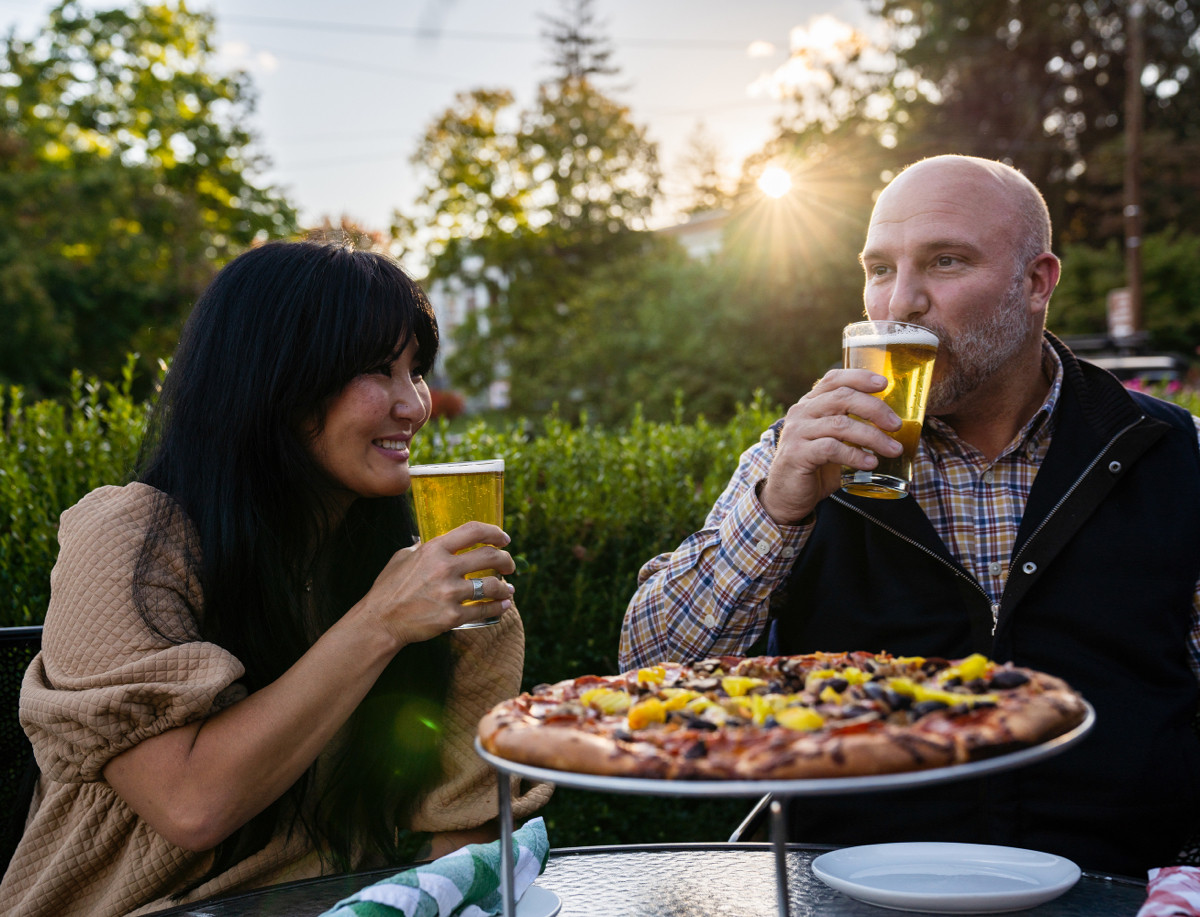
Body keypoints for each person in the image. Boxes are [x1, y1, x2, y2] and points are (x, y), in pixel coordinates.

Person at [620, 155, 1200, 878]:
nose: (898, 304)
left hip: (1113, 887)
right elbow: (652, 670)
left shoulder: (1166, 451)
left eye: (945, 261)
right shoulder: (803, 455)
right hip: (854, 885)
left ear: (1036, 281)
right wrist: (778, 508)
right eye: (878, 269)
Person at [1, 241, 550, 917]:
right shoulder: (128, 540)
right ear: (277, 380)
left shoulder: (433, 590)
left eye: (416, 370)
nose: (415, 404)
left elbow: (459, 848)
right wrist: (380, 621)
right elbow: (190, 802)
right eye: (379, 369)